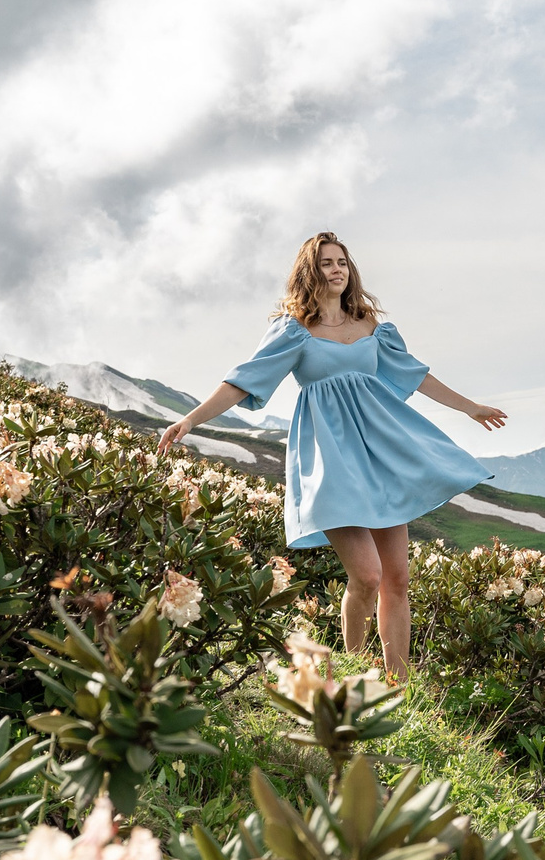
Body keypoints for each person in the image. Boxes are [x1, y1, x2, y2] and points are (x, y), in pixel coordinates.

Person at [158, 232, 506, 681]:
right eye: (326, 263)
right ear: (310, 271)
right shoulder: (293, 330)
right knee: (367, 576)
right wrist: (190, 419)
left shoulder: (370, 326)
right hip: (330, 463)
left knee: (397, 580)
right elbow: (241, 382)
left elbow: (417, 376)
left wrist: (470, 407)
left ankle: (398, 690)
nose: (337, 269)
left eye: (342, 262)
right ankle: (353, 677)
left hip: (380, 458)